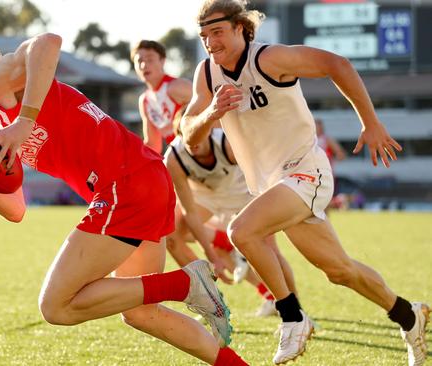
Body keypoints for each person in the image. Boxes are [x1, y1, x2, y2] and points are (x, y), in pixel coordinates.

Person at [0, 27, 248, 365]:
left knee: (55, 306)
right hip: (141, 180)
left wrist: (24, 121)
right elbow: (17, 210)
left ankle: (184, 284)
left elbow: (48, 43)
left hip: (123, 184)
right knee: (141, 312)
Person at [181, 1, 428, 364]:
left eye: (217, 32)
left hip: (305, 170)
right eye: (204, 36)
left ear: (240, 27)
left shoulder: (270, 58)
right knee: (339, 271)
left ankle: (293, 316)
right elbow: (188, 134)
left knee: (241, 231)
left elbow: (336, 64)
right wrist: (210, 112)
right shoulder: (206, 74)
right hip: (273, 185)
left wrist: (370, 122)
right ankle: (409, 314)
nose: (210, 42)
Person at [164, 126, 298, 317]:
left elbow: (261, 167)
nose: (193, 143)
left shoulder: (227, 143)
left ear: (209, 131)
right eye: (187, 137)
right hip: (206, 197)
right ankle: (212, 303)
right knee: (171, 234)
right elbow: (191, 213)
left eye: (198, 136)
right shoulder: (174, 157)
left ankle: (296, 311)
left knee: (270, 251)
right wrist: (211, 256)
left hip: (243, 192)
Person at [132, 40, 192, 154]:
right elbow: (153, 145)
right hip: (181, 155)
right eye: (139, 61)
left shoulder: (177, 86)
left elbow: (212, 112)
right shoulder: (144, 101)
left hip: (206, 149)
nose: (144, 65)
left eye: (150, 59)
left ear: (163, 61)